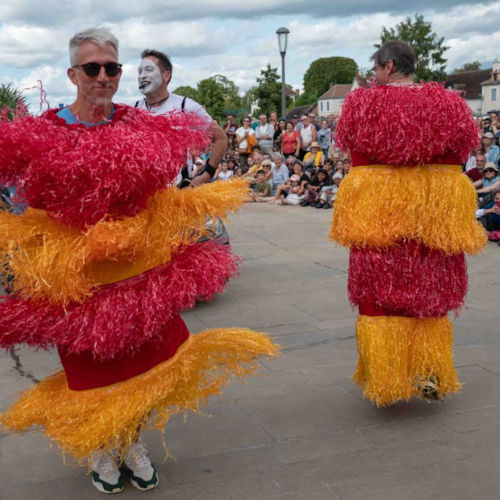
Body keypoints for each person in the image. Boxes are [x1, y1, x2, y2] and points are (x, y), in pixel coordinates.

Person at [0, 27, 278, 495]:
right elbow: (31, 197)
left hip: (138, 275)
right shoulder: (47, 129)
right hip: (83, 282)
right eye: (93, 68)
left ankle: (132, 441)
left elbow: (189, 156)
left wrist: (198, 183)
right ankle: (103, 447)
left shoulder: (138, 122)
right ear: (73, 74)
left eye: (112, 67)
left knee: (143, 366)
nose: (103, 76)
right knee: (94, 369)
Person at [330, 40, 485, 406]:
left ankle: (387, 378)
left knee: (380, 293)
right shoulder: (450, 103)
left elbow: (353, 150)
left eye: (374, 71)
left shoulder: (362, 103)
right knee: (430, 289)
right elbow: (462, 155)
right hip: (433, 215)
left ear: (387, 66)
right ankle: (429, 370)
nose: (371, 79)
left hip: (377, 213)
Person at [136, 49, 226, 187]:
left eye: (149, 70)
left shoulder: (186, 106)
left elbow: (220, 138)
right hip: (142, 197)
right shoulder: (133, 110)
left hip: (176, 196)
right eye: (140, 71)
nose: (142, 76)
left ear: (166, 76)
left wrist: (207, 174)